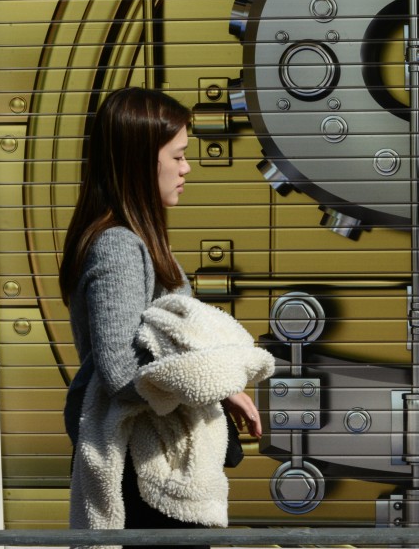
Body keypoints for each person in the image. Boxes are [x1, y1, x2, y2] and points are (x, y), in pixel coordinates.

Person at [59, 87, 262, 546]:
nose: (187, 168)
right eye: (179, 155)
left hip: (153, 460)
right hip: (145, 469)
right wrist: (210, 377)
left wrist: (222, 389)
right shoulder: (119, 247)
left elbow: (158, 345)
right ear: (140, 161)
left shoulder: (134, 240)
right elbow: (119, 371)